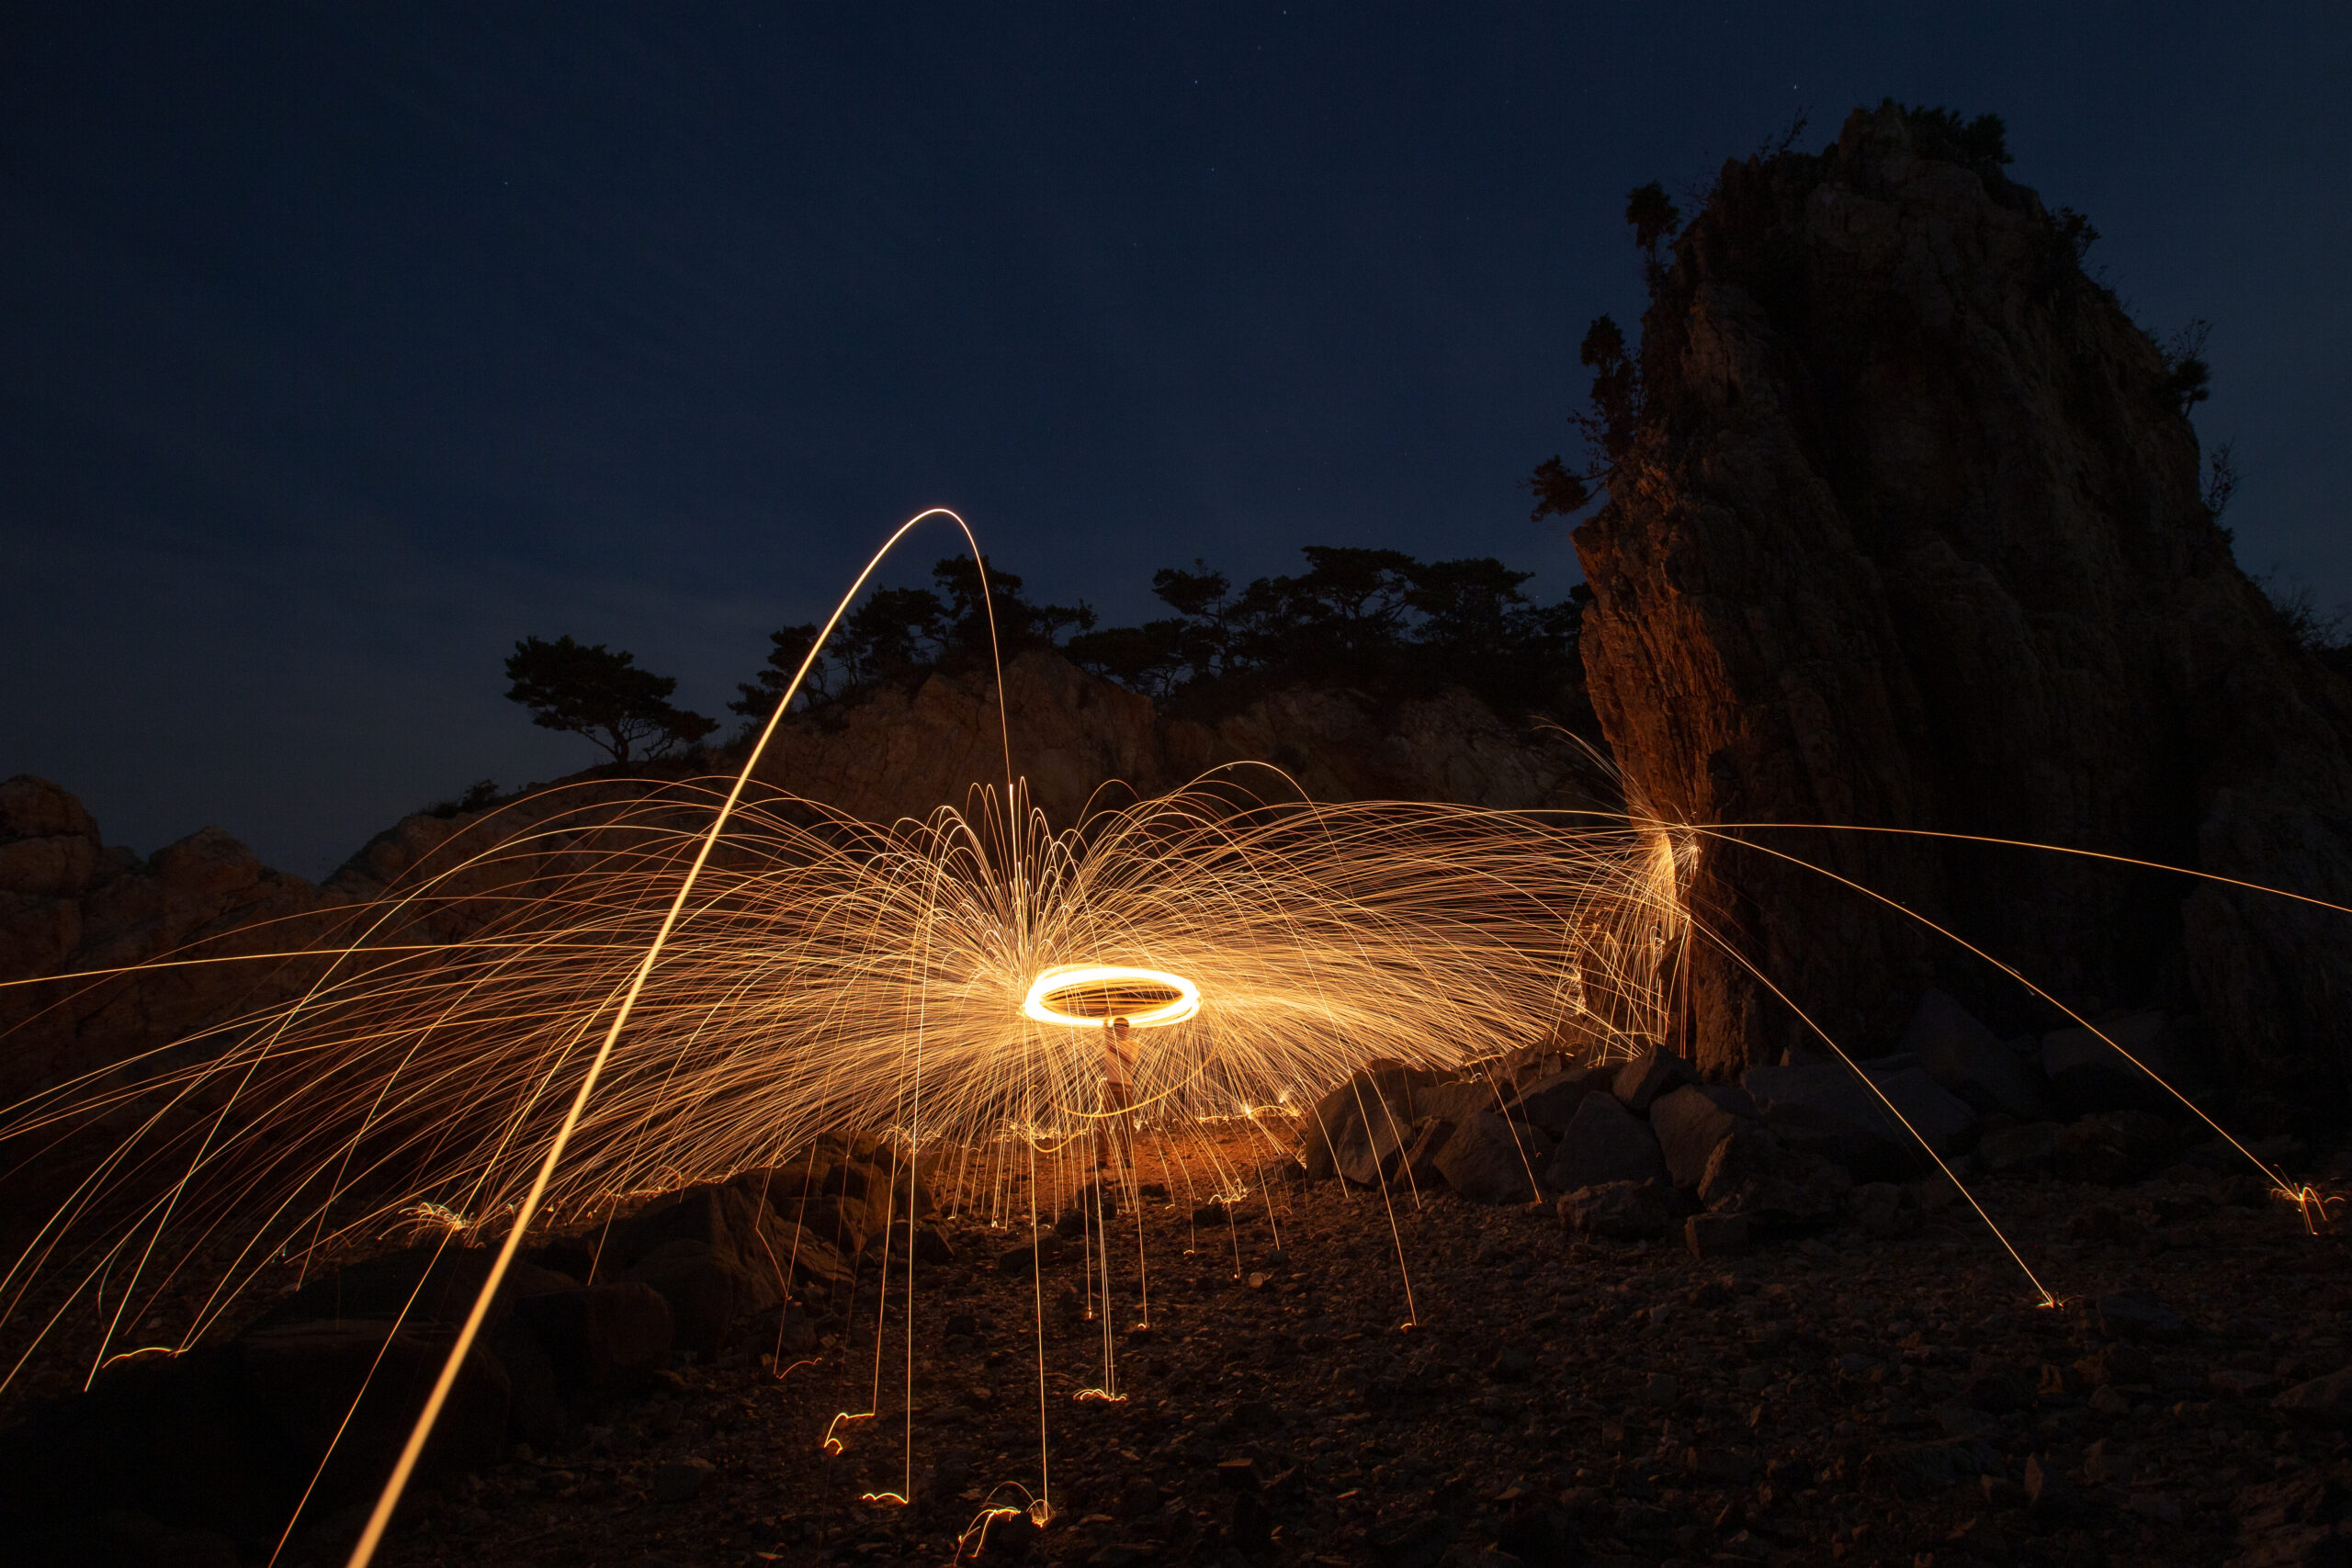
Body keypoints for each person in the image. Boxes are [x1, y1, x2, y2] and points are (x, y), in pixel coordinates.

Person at [1098, 1015, 1136, 1170]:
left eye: (1124, 1028)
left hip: (1126, 1088)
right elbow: (1105, 1024)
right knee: (1102, 1125)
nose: (1121, 1031)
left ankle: (1126, 1159)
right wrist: (1108, 1010)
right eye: (1118, 1028)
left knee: (1127, 1126)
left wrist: (1115, 1048)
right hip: (1109, 1088)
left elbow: (1131, 1059)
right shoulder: (1109, 1041)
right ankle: (1101, 1160)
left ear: (1127, 1030)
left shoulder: (1132, 1044)